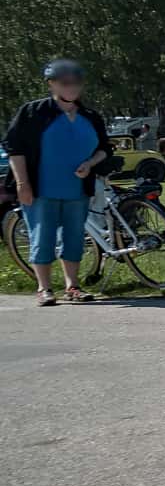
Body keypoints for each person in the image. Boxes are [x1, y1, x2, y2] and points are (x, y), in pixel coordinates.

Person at [4, 59, 113, 306]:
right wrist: (22, 184)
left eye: (76, 83)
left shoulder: (90, 116)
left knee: (74, 237)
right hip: (41, 187)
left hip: (78, 188)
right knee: (43, 236)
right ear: (52, 84)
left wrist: (91, 163)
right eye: (65, 83)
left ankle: (72, 286)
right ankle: (44, 288)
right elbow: (14, 148)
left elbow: (105, 148)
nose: (71, 88)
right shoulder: (34, 112)